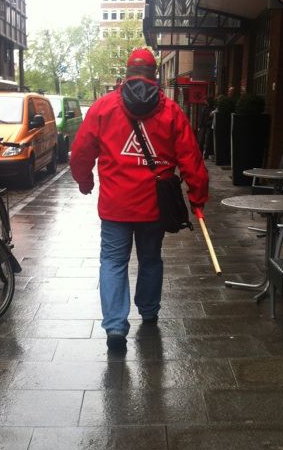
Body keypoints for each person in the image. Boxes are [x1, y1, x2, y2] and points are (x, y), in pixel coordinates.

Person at [70, 47, 209, 353]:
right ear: (154, 75)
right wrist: (198, 197)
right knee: (150, 258)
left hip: (115, 206)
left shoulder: (103, 108)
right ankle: (148, 310)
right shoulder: (171, 111)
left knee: (113, 261)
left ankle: (116, 328)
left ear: (128, 72)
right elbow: (191, 158)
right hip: (153, 206)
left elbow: (80, 151)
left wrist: (84, 181)